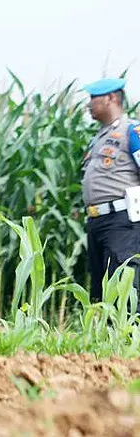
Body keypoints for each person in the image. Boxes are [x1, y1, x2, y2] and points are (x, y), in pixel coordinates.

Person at [79, 77, 140, 302]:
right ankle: (108, 337)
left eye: (93, 98)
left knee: (124, 284)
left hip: (122, 222)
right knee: (101, 288)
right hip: (97, 222)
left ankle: (130, 335)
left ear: (111, 98)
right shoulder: (99, 138)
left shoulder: (132, 131)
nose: (89, 104)